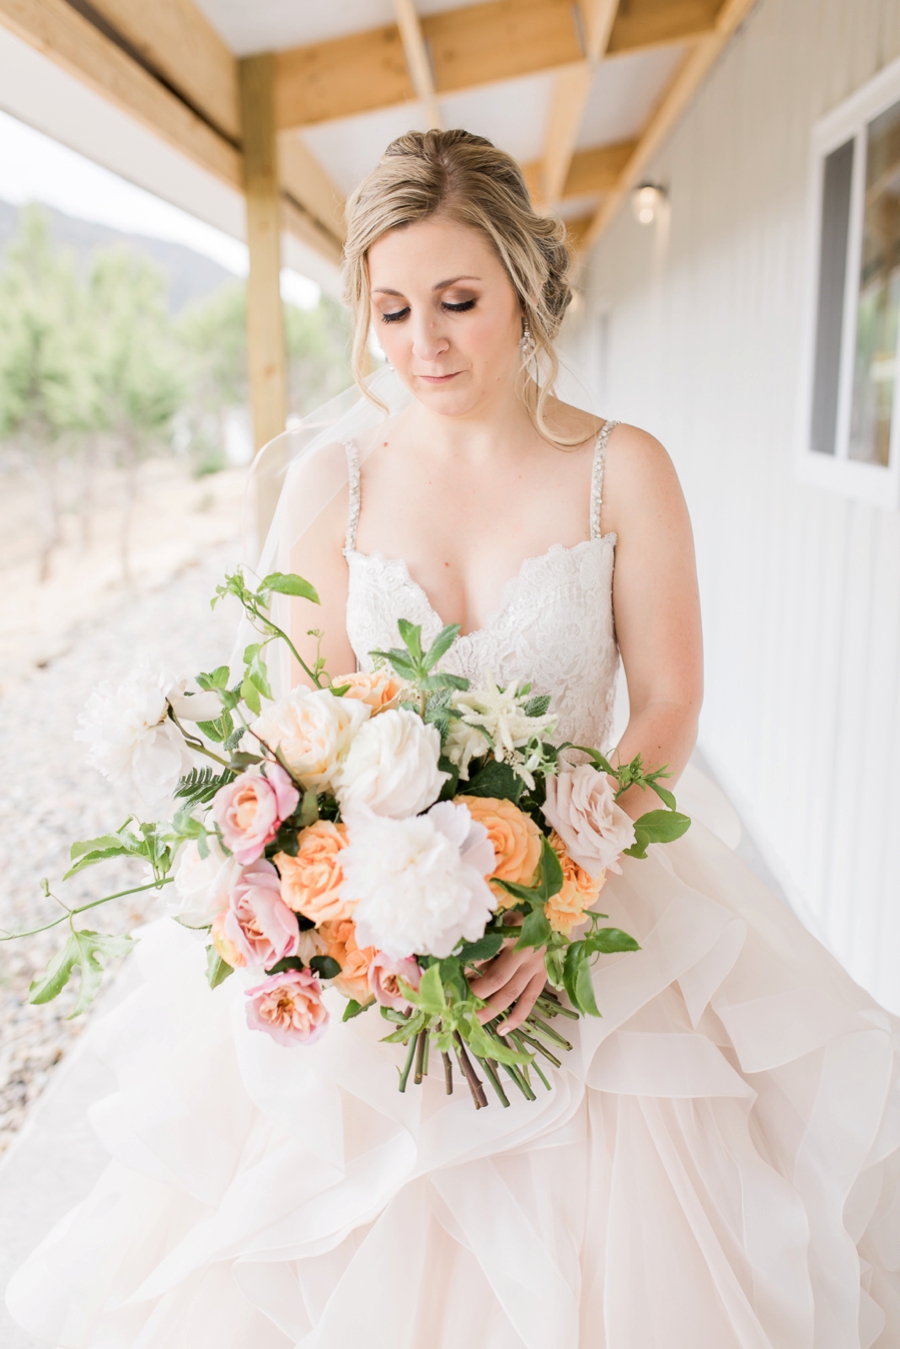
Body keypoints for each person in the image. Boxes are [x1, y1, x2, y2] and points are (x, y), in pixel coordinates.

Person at [7, 129, 900, 1349]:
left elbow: (669, 705)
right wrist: (355, 909)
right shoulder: (334, 477)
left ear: (525, 287)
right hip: (379, 934)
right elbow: (300, 722)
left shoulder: (620, 468)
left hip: (595, 903)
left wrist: (557, 902)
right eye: (391, 308)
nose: (423, 343)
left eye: (459, 301)